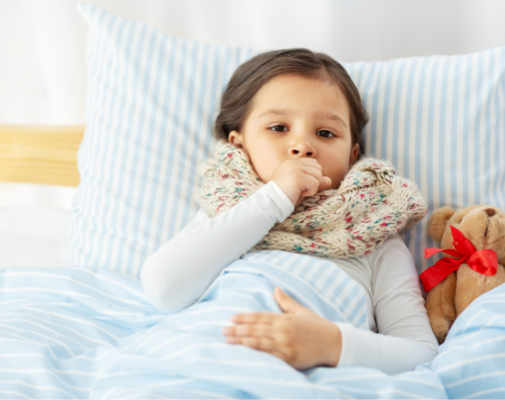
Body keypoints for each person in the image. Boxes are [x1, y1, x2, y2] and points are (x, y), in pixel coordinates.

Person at [140, 48, 438, 374]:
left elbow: (421, 352)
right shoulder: (226, 214)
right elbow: (163, 289)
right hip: (199, 360)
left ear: (352, 156)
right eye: (278, 127)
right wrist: (274, 199)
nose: (302, 145)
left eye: (325, 133)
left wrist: (335, 344)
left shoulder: (374, 234)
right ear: (239, 144)